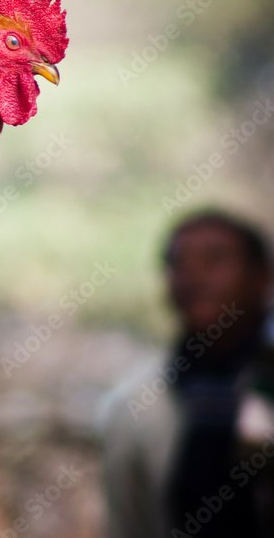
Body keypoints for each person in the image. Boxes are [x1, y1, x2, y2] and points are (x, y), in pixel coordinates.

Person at [101, 210, 273, 538]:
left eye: (214, 259)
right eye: (179, 263)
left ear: (262, 277)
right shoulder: (136, 407)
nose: (194, 275)